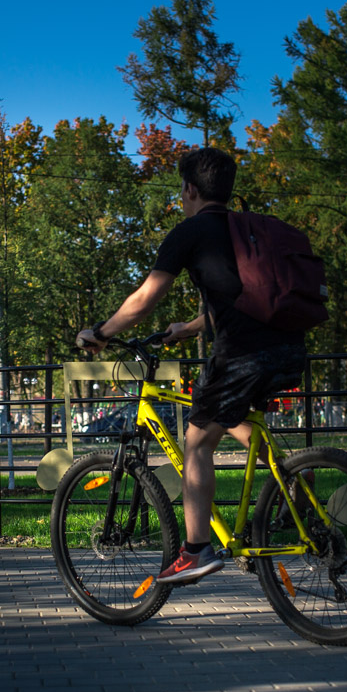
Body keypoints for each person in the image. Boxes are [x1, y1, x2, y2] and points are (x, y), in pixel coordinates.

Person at [76, 147, 307, 585]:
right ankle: (293, 473)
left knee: (197, 441)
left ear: (190, 189)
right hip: (290, 345)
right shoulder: (247, 230)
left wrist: (101, 333)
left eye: (181, 190)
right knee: (224, 414)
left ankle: (196, 550)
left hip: (241, 353)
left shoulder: (190, 231)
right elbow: (246, 300)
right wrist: (189, 327)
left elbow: (144, 301)